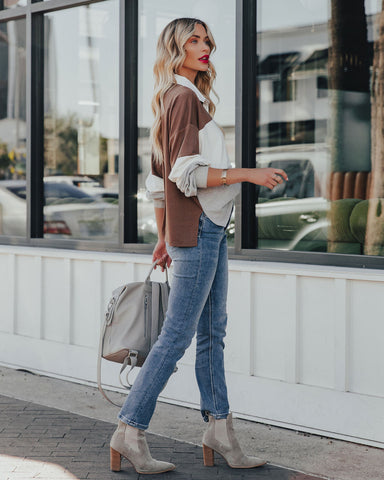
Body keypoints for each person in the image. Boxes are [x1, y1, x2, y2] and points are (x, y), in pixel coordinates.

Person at [109, 17, 288, 475]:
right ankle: (129, 430)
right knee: (179, 335)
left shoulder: (181, 98)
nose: (205, 45)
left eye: (207, 39)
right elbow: (184, 174)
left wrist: (163, 236)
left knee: (212, 333)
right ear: (175, 47)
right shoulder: (184, 99)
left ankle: (219, 430)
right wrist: (247, 174)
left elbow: (155, 180)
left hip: (203, 230)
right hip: (203, 230)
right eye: (194, 39)